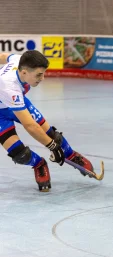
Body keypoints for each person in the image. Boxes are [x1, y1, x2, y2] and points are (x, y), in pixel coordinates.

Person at [0, 50, 94, 192]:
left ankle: (71, 155)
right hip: (4, 110)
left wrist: (53, 143)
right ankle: (39, 164)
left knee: (51, 135)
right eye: (39, 75)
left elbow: (3, 56)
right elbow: (30, 125)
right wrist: (52, 147)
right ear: (24, 72)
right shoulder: (9, 87)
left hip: (16, 102)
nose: (43, 78)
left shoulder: (20, 60)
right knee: (20, 155)